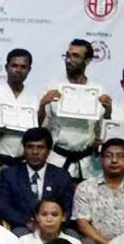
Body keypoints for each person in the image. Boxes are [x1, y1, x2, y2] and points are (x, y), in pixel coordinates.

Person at [39, 39, 111, 181]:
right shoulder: (53, 87)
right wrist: (42, 104)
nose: (69, 60)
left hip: (85, 161)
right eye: (67, 55)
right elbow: (38, 125)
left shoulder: (98, 91)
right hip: (57, 158)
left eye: (75, 56)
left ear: (88, 60)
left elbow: (101, 131)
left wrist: (108, 111)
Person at [0, 127, 74, 236]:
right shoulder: (10, 175)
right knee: (19, 234)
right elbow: (3, 206)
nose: (35, 152)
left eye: (40, 147)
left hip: (55, 226)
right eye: (30, 147)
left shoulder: (62, 176)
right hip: (22, 226)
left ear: (48, 151)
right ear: (24, 149)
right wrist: (26, 222)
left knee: (72, 237)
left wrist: (52, 224)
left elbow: (69, 208)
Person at [0, 49, 38, 172]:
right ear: (6, 67)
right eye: (14, 66)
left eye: (23, 67)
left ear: (29, 70)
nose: (18, 70)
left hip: (21, 163)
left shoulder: (33, 98)